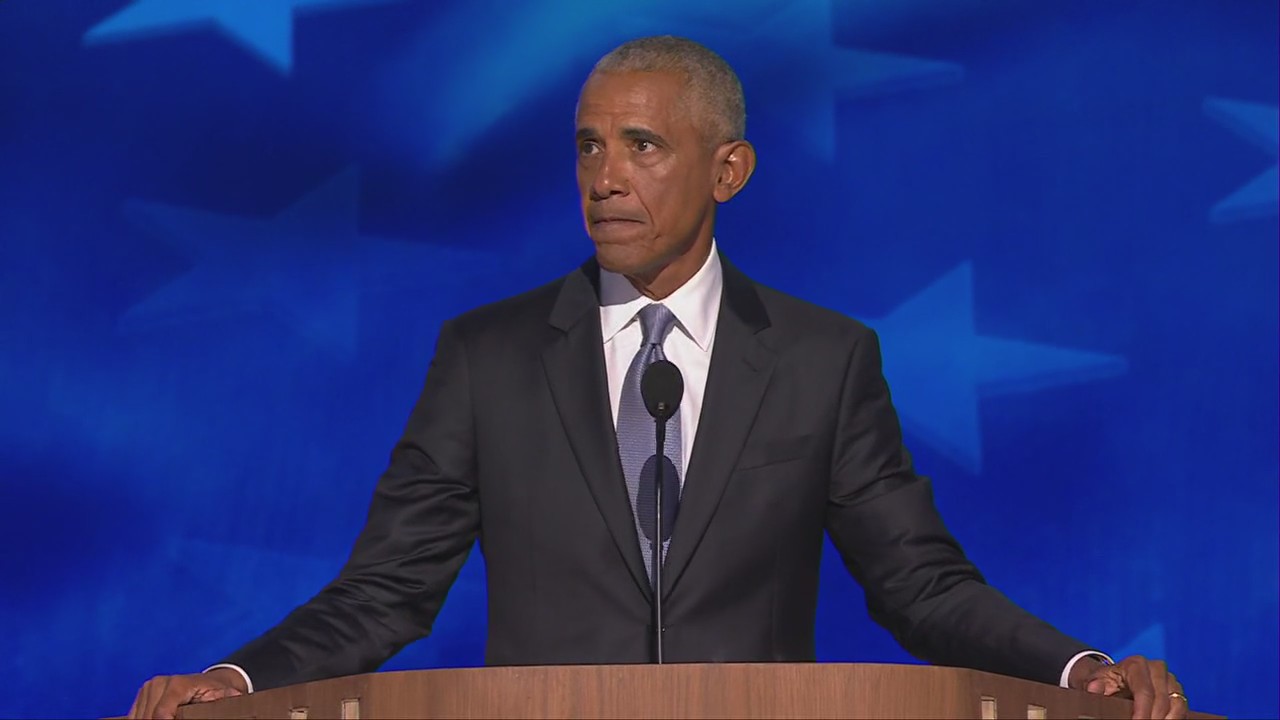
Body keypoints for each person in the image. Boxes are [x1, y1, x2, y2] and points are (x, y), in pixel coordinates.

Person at [129, 36, 1187, 720]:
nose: (604, 178)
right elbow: (384, 592)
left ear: (728, 171)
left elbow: (920, 585)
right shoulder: (486, 357)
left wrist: (1077, 670)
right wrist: (235, 682)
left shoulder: (823, 360)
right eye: (588, 147)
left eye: (642, 146)